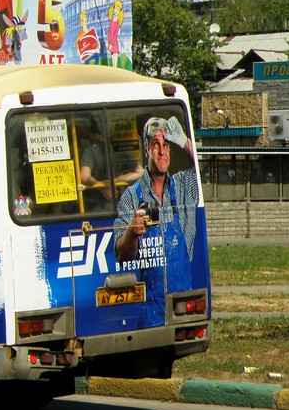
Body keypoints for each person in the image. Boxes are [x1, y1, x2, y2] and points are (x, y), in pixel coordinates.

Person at [113, 116, 199, 327]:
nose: (162, 151)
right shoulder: (131, 197)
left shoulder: (183, 185)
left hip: (181, 303)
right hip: (150, 308)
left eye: (166, 145)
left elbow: (202, 168)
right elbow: (121, 255)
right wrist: (132, 233)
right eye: (155, 145)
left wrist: (184, 141)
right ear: (146, 151)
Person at [78, 118, 142, 212]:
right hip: (123, 208)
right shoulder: (118, 148)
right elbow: (140, 172)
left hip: (96, 209)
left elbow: (84, 176)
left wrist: (103, 185)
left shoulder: (90, 151)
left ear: (92, 133)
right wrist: (115, 181)